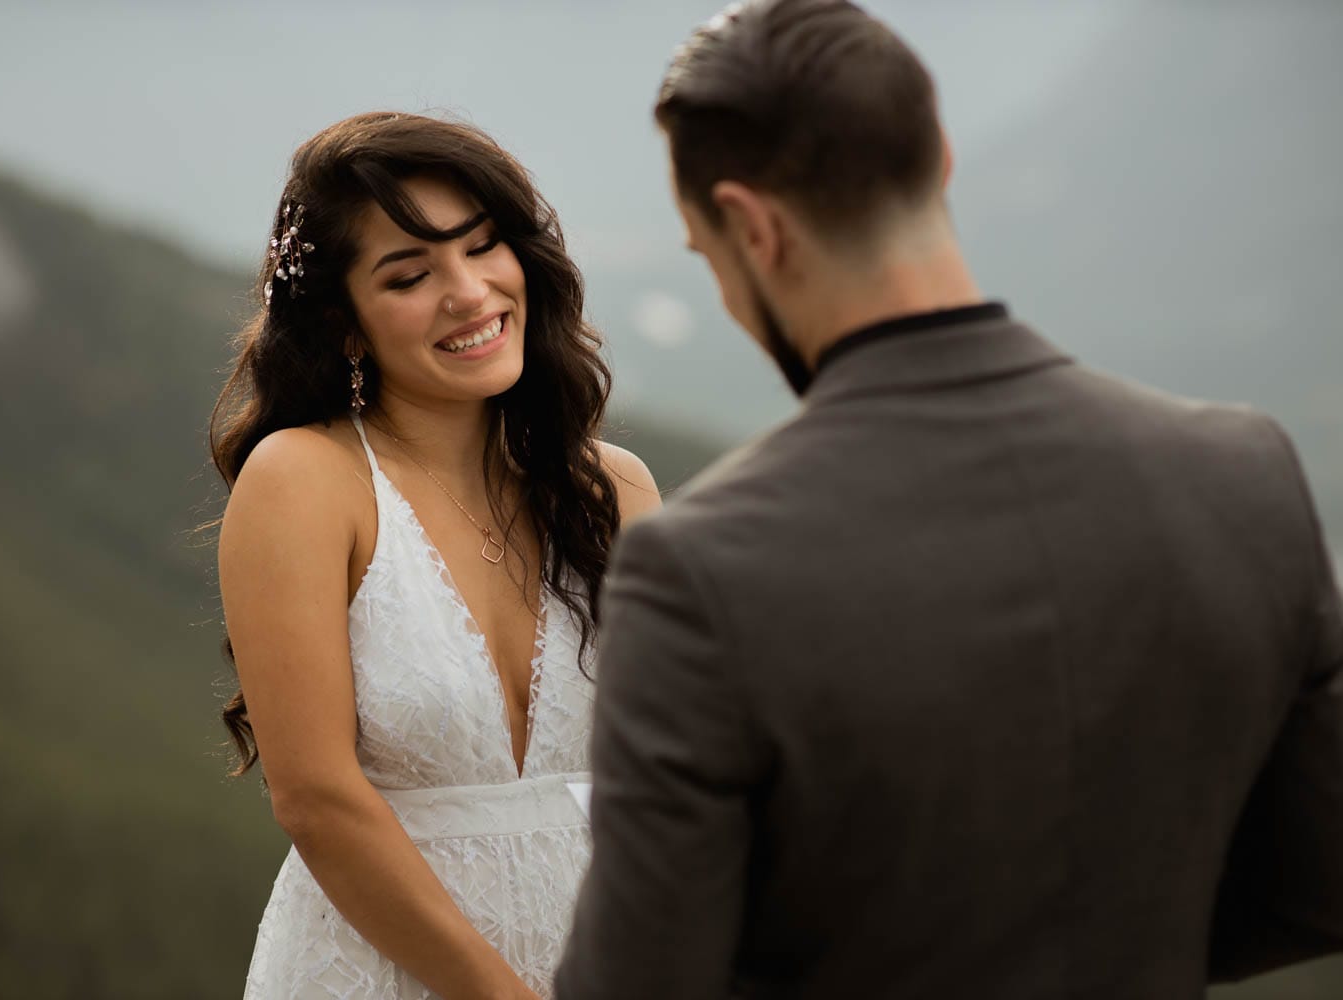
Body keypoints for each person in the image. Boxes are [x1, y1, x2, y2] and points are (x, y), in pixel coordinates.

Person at [556, 1, 1343, 997]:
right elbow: (1320, 881)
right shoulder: (1245, 470)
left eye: (705, 256)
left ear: (753, 230)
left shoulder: (700, 567)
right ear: (942, 160)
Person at [210, 111, 660, 1000]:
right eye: (410, 274)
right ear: (346, 325)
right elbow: (316, 798)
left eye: (483, 245)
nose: (468, 291)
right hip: (384, 975)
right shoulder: (305, 479)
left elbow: (681, 764)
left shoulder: (615, 489)